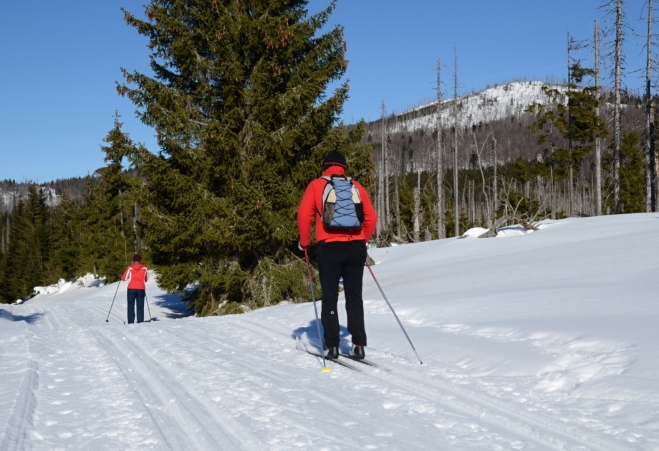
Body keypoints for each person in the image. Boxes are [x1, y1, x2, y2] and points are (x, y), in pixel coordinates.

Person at [297, 151, 377, 359]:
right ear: (344, 167)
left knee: (330, 297)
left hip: (330, 248)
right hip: (355, 247)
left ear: (325, 166)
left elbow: (304, 216)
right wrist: (363, 240)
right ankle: (359, 345)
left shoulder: (316, 185)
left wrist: (304, 242)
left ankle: (332, 346)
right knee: (354, 297)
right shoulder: (355, 186)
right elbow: (371, 217)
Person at [120, 254, 149, 324]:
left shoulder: (130, 268)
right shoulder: (144, 268)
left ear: (133, 260)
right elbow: (146, 279)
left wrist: (121, 277)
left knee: (130, 305)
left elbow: (124, 278)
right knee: (140, 306)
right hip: (141, 288)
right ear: (140, 260)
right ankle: (140, 322)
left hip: (131, 289)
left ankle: (131, 322)